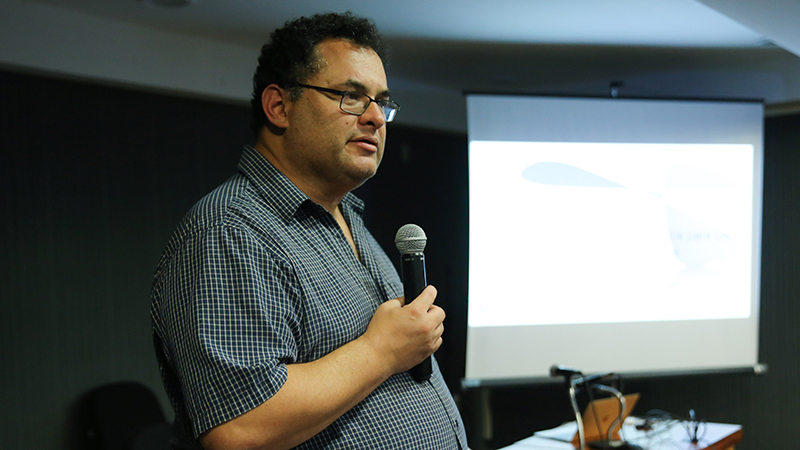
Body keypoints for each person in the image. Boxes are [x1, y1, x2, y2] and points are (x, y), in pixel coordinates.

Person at [151, 12, 468, 450]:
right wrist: (381, 352)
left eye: (382, 102)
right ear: (279, 107)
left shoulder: (344, 214)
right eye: (351, 97)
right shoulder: (230, 232)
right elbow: (240, 431)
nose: (376, 117)